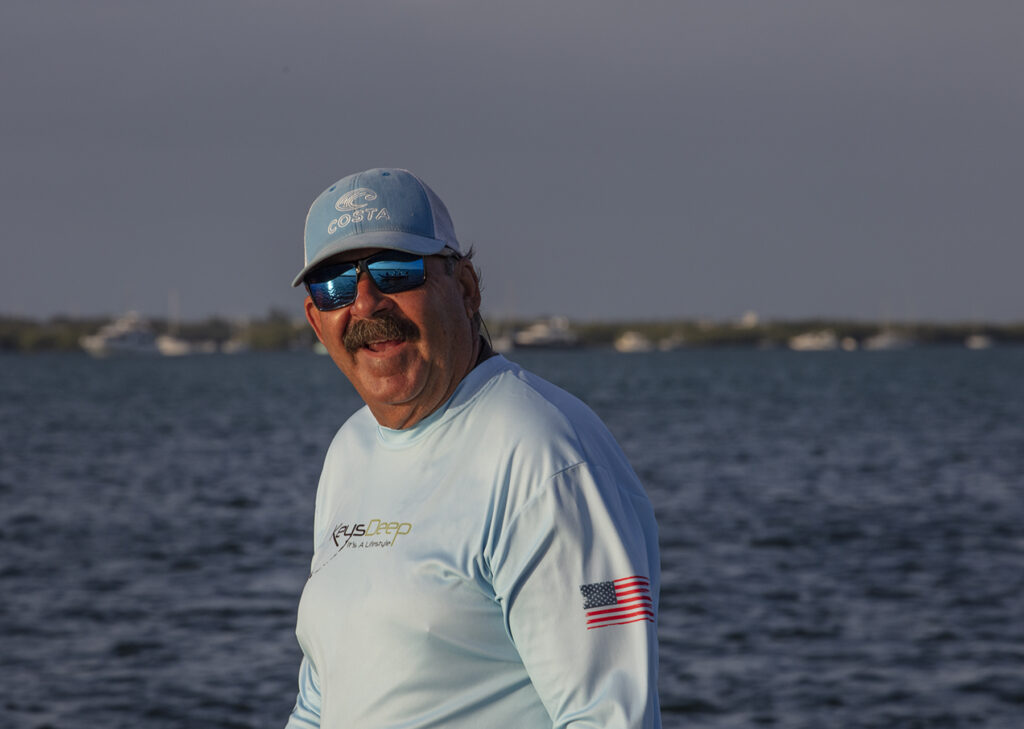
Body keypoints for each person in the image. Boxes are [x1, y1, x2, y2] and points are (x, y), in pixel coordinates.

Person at [285, 168, 662, 728]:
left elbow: (608, 716)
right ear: (318, 321)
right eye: (335, 285)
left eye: (394, 271)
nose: (365, 304)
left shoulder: (547, 458)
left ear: (465, 289)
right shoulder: (350, 450)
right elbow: (319, 703)